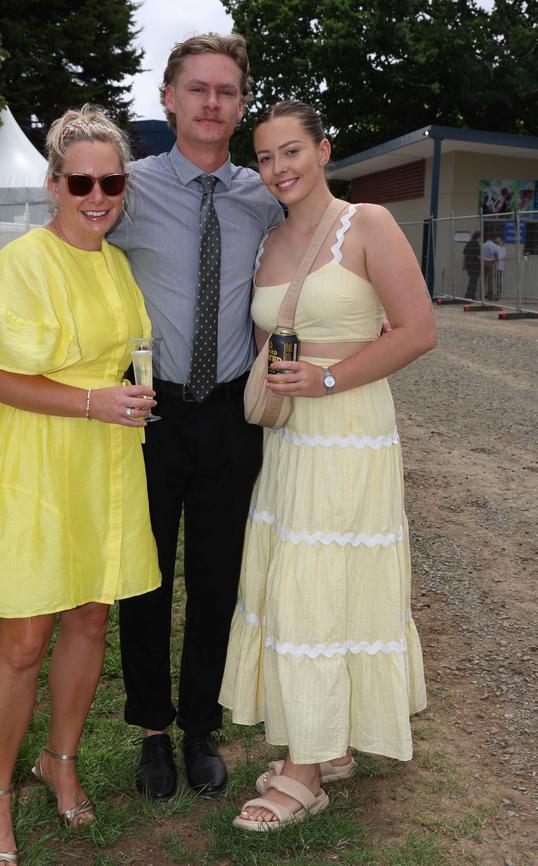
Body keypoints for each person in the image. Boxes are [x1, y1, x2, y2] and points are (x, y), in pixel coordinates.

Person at [0, 105, 161, 865]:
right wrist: (94, 401)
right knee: (25, 637)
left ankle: (58, 761)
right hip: (36, 460)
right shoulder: (23, 261)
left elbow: (131, 352)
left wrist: (132, 394)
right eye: (82, 181)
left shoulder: (117, 264)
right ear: (54, 183)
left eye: (112, 181)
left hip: (102, 460)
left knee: (90, 620)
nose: (98, 195)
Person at [219, 100, 436, 831]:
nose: (278, 168)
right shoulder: (269, 243)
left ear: (323, 150)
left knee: (317, 588)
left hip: (348, 432)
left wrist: (329, 378)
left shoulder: (368, 224)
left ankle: (305, 776)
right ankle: (329, 741)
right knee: (299, 584)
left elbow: (419, 331)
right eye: (266, 157)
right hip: (288, 441)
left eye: (291, 152)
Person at [109, 33, 284, 800]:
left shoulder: (265, 193)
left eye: (227, 93)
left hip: (231, 411)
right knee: (143, 577)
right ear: (169, 99)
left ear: (240, 106)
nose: (213, 104)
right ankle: (151, 729)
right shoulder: (127, 187)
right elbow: (64, 250)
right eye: (199, 90)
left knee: (217, 577)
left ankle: (201, 726)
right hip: (149, 412)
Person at [463, 230, 481, 300]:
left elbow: (464, 255)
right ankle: (470, 296)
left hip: (469, 265)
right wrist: (485, 260)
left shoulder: (468, 243)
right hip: (475, 266)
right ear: (478, 237)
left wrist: (464, 265)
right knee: (473, 281)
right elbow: (478, 257)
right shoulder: (477, 245)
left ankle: (470, 295)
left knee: (471, 281)